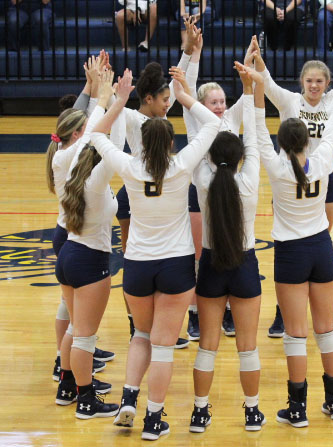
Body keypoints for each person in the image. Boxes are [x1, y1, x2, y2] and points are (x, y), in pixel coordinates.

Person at [91, 73, 221, 441]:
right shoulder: (182, 166)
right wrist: (186, 96)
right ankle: (153, 420)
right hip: (176, 264)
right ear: (171, 142)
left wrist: (119, 99)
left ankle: (128, 400)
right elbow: (213, 124)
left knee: (141, 335)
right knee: (164, 345)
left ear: (142, 141)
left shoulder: (130, 168)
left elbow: (97, 136)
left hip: (137, 266)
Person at [257, 57, 333, 427]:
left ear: (281, 143)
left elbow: (258, 128)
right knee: (325, 329)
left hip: (291, 254)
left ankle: (298, 408)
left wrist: (254, 85)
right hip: (322, 249)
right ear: (307, 139)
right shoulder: (322, 161)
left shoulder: (275, 168)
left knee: (295, 335)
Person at [187, 61, 264, 433]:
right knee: (247, 346)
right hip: (246, 265)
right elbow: (253, 140)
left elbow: (203, 136)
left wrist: (187, 97)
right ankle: (252, 412)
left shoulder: (202, 179)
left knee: (207, 346)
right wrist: (248, 90)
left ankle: (200, 412)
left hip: (212, 266)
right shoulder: (249, 180)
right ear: (239, 159)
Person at [252, 35, 333, 336]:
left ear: (327, 83)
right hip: (285, 178)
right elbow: (265, 83)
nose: (314, 85)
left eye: (320, 81)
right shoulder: (290, 101)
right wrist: (257, 58)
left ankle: (321, 309)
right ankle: (285, 311)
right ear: (302, 81)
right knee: (293, 235)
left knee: (320, 234)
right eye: (309, 80)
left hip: (321, 176)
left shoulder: (331, 101)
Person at [114, 19, 201, 343]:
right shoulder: (133, 118)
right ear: (148, 98)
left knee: (152, 259)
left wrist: (189, 50)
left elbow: (177, 84)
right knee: (132, 259)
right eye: (163, 99)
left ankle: (156, 327)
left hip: (156, 192)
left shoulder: (159, 114)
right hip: (135, 194)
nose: (169, 104)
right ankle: (137, 324)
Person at [54, 69, 122, 419]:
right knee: (84, 337)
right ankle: (85, 399)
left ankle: (66, 385)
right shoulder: (96, 180)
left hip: (67, 253)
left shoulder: (61, 162)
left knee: (75, 327)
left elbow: (92, 134)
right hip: (89, 259)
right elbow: (111, 142)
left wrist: (104, 97)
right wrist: (116, 101)